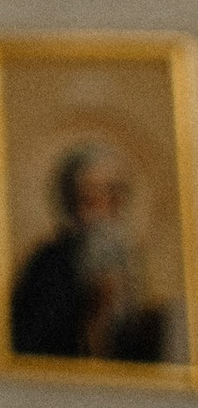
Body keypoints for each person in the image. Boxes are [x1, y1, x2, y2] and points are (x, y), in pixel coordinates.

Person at [9, 142, 182, 364]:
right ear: (73, 198)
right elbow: (35, 337)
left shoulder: (128, 258)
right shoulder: (49, 260)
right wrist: (91, 309)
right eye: (93, 191)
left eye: (113, 190)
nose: (106, 201)